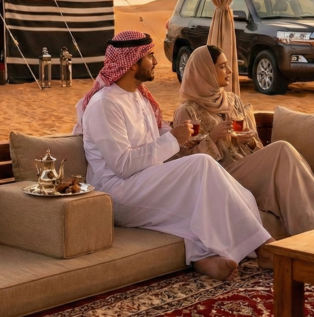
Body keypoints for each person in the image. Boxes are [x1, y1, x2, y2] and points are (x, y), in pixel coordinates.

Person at [73, 31, 274, 281]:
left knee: (213, 186)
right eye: (150, 56)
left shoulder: (139, 97)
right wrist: (173, 140)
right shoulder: (105, 105)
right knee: (201, 164)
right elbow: (122, 165)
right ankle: (262, 246)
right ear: (131, 62)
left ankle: (203, 256)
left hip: (146, 181)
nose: (156, 61)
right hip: (118, 192)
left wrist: (180, 136)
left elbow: (154, 135)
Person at [170, 45, 314, 240]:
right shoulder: (187, 111)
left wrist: (249, 142)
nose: (230, 71)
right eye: (222, 67)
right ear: (205, 71)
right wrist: (212, 137)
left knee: (284, 154)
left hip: (247, 167)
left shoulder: (233, 101)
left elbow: (257, 146)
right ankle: (313, 231)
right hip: (221, 177)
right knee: (282, 149)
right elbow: (184, 164)